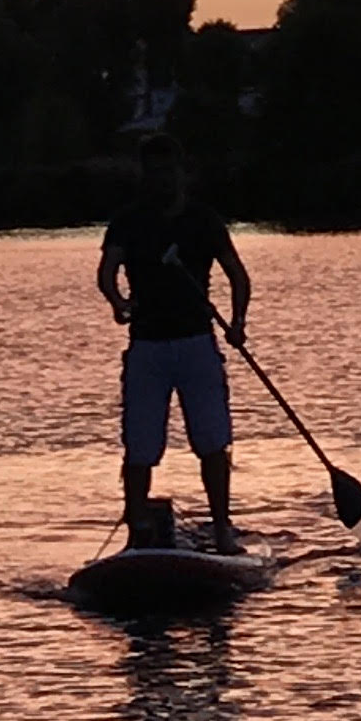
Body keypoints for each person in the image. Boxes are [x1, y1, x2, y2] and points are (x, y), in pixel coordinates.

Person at [98, 140, 251, 549]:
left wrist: (237, 324)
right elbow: (107, 272)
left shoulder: (204, 221)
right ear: (145, 176)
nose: (162, 180)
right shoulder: (128, 223)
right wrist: (118, 302)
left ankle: (222, 530)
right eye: (154, 173)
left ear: (182, 172)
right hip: (147, 346)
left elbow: (237, 275)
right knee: (140, 444)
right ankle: (136, 534)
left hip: (197, 343)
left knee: (212, 439)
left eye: (169, 171)